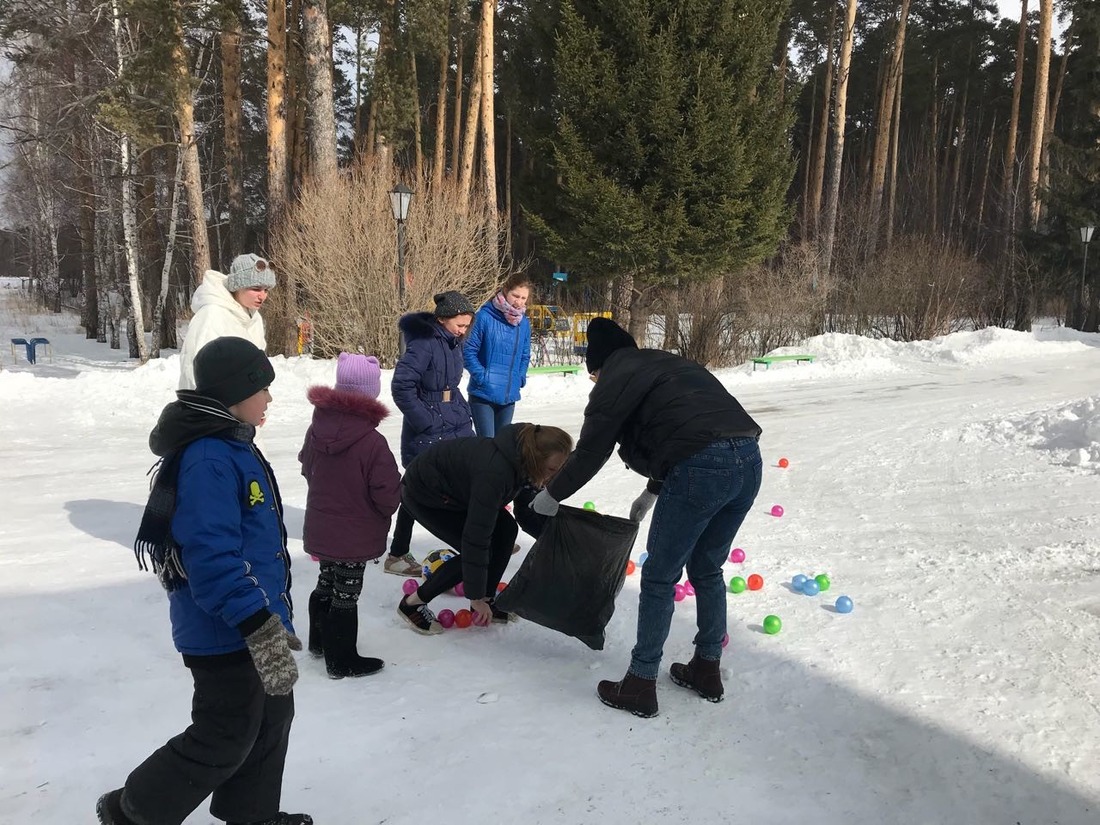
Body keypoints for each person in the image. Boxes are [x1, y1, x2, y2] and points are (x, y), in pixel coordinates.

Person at [97, 337, 310, 825]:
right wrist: (258, 626)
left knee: (273, 720)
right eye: (263, 390)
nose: (270, 400)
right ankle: (131, 811)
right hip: (227, 632)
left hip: (255, 621)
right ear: (235, 394)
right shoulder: (210, 458)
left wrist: (271, 619)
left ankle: (250, 815)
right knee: (226, 733)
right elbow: (211, 559)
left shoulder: (233, 446)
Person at [532, 317, 763, 718]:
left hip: (701, 466)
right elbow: (675, 426)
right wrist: (652, 489)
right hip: (748, 459)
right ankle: (707, 668)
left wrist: (551, 494)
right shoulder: (665, 363)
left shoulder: (614, 378)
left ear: (597, 367)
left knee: (659, 577)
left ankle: (640, 683)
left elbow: (591, 451)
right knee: (707, 568)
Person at [396, 423, 573, 634]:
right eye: (552, 469)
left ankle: (487, 600)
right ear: (536, 458)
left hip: (457, 495)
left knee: (506, 530)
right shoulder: (496, 472)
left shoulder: (525, 464)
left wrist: (555, 541)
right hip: (425, 495)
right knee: (480, 549)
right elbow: (475, 539)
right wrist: (475, 595)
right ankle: (413, 603)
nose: (554, 476)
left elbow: (525, 513)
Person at [299, 353, 401, 679]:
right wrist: (384, 510)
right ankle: (341, 659)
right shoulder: (372, 443)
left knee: (327, 579)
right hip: (354, 531)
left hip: (321, 525)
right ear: (371, 393)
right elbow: (386, 491)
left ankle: (320, 642)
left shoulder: (316, 429)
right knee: (346, 591)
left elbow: (306, 465)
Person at [382, 291, 476, 576]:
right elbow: (402, 386)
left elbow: (450, 384)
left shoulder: (452, 343)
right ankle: (397, 553)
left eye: (466, 326)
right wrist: (425, 421)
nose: (463, 330)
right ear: (443, 318)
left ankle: (479, 538)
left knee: (469, 477)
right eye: (459, 324)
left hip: (455, 421)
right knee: (416, 486)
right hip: (429, 428)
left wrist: (460, 410)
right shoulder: (423, 344)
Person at [178, 254, 276, 391]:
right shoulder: (211, 316)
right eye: (256, 288)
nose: (262, 296)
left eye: (266, 290)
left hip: (248, 407)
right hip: (217, 408)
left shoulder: (254, 317)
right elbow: (194, 372)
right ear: (237, 286)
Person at [463, 273, 532, 437]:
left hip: (509, 394)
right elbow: (468, 350)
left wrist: (520, 376)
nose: (519, 301)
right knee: (487, 446)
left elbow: (525, 354)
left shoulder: (524, 323)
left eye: (523, 298)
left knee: (503, 445)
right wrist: (482, 377)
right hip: (483, 394)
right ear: (505, 291)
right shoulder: (484, 317)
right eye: (516, 295)